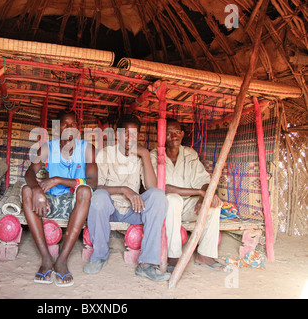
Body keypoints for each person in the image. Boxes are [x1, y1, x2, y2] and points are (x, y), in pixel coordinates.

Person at [83, 114, 170, 281]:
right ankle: (99, 256)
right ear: (117, 133)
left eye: (134, 134)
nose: (130, 138)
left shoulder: (142, 154)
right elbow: (95, 186)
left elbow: (152, 188)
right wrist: (124, 190)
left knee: (158, 196)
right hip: (111, 209)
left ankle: (147, 264)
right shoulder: (106, 153)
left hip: (134, 210)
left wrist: (145, 155)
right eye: (126, 133)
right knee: (99, 197)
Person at [22, 110, 97, 287]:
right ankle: (46, 258)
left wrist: (57, 179)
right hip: (52, 201)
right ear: (58, 127)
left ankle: (62, 260)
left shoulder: (88, 149)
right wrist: (36, 190)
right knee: (26, 191)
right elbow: (29, 173)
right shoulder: (48, 147)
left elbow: (93, 183)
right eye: (64, 124)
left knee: (85, 191)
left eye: (73, 124)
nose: (69, 128)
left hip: (76, 203)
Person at [150, 118, 224, 271]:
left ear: (182, 134)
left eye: (177, 132)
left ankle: (205, 255)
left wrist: (203, 198)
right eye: (169, 133)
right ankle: (173, 256)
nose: (174, 137)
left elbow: (204, 180)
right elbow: (162, 187)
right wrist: (198, 192)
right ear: (162, 135)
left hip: (189, 205)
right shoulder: (154, 155)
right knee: (173, 199)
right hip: (166, 207)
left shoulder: (190, 154)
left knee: (214, 206)